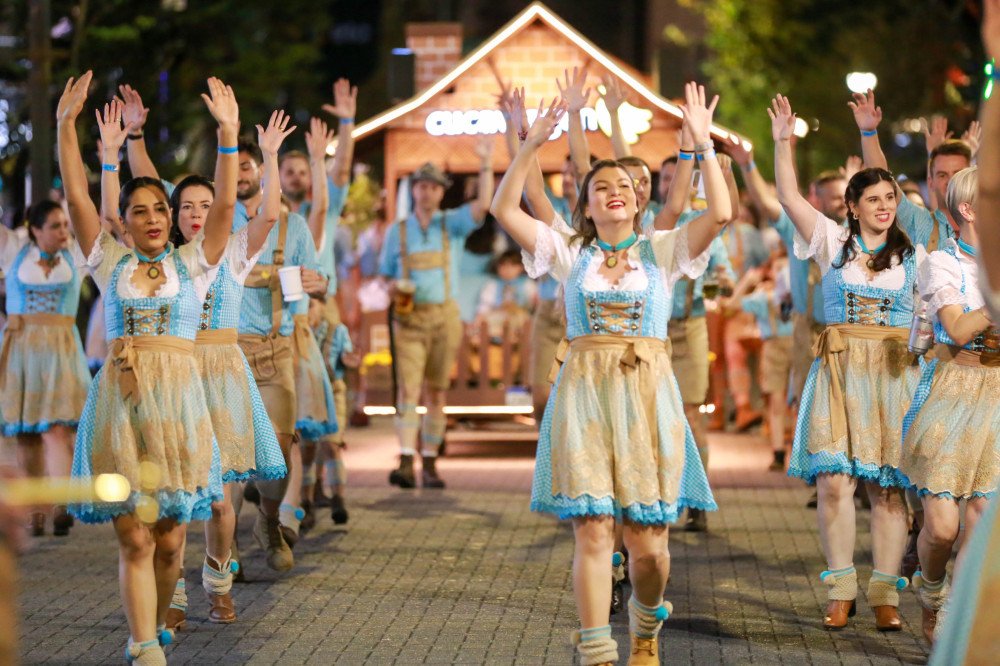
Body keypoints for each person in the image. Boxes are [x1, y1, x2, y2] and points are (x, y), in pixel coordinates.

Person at [491, 82, 723, 666]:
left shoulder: (663, 250)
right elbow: (503, 208)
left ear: (639, 201)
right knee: (594, 530)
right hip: (585, 396)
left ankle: (646, 624)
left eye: (624, 185)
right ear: (587, 204)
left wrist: (702, 143)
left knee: (649, 549)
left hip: (647, 396)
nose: (614, 192)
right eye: (601, 186)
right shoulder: (569, 250)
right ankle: (596, 651)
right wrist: (530, 145)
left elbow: (722, 212)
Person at [59, 74, 236, 664]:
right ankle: (143, 648)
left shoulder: (195, 263)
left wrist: (229, 138)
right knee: (134, 535)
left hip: (182, 412)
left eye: (161, 208)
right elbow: (79, 199)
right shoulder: (108, 263)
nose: (155, 217)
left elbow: (228, 207)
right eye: (141, 211)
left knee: (168, 543)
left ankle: (157, 624)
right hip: (122, 406)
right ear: (126, 222)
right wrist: (66, 128)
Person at [771, 94, 923, 632]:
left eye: (891, 198)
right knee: (834, 482)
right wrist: (782, 140)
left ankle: (886, 591)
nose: (884, 206)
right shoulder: (831, 241)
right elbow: (787, 194)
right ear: (853, 206)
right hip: (838, 369)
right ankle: (840, 587)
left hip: (892, 371)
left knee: (887, 485)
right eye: (874, 199)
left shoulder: (914, 255)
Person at [895, 166, 998, 643]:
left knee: (981, 514)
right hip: (953, 388)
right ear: (969, 209)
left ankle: (956, 617)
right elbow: (956, 330)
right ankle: (930, 592)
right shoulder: (942, 262)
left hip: (996, 393)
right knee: (940, 527)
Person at [233, 134, 329, 572]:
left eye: (247, 165)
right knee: (231, 451)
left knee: (280, 449)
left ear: (261, 172)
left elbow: (321, 279)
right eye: (231, 165)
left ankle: (269, 521)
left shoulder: (294, 226)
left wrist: (317, 284)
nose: (239, 173)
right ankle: (222, 545)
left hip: (277, 349)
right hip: (226, 352)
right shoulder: (215, 220)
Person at [379, 143, 494, 490]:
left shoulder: (452, 224)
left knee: (437, 393)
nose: (426, 191)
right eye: (421, 185)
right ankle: (404, 460)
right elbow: (383, 274)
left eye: (433, 186)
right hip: (408, 320)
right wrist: (390, 288)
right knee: (408, 390)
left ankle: (429, 462)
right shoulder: (397, 231)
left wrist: (486, 165)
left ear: (442, 192)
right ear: (413, 189)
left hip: (445, 317)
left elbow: (483, 206)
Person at [0, 200, 91, 537]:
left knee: (58, 430)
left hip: (61, 350)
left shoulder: (75, 256)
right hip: (22, 350)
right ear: (35, 230)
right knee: (26, 434)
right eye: (54, 226)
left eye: (65, 225)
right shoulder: (13, 250)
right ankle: (35, 511)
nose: (63, 231)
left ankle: (61, 504)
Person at [850, 89, 972, 251]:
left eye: (957, 173)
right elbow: (880, 179)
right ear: (931, 181)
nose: (950, 180)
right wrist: (868, 132)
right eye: (942, 174)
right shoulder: (918, 222)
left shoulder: (990, 222)